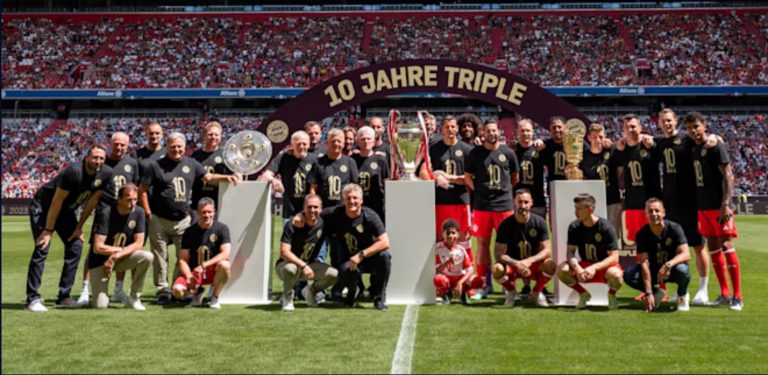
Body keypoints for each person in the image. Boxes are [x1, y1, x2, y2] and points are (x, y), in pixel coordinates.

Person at [139, 132, 240, 304]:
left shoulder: (191, 163)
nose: (176, 150)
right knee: (160, 256)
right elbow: (142, 189)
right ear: (167, 147)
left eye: (179, 147)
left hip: (182, 219)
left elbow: (208, 178)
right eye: (173, 147)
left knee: (184, 257)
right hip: (159, 218)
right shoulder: (155, 165)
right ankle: (162, 290)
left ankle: (180, 288)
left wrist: (225, 177)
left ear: (184, 148)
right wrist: (148, 213)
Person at [25, 145, 113, 312]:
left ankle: (64, 297)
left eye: (102, 158)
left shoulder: (106, 173)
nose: (98, 161)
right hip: (45, 207)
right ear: (87, 157)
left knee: (76, 246)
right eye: (95, 157)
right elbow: (56, 202)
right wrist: (48, 231)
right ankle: (32, 299)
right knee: (42, 247)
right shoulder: (73, 172)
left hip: (66, 211)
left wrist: (79, 227)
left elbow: (93, 201)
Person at [652, 108, 712, 305]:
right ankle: (677, 290)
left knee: (697, 245)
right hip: (669, 204)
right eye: (663, 121)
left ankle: (703, 290)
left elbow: (705, 138)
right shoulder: (659, 143)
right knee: (671, 249)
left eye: (670, 120)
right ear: (659, 123)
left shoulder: (686, 140)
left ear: (675, 121)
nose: (667, 124)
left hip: (689, 202)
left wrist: (716, 137)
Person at [685, 112, 743, 311]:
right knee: (713, 247)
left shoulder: (716, 145)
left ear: (704, 125)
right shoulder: (694, 148)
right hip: (703, 206)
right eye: (690, 128)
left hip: (719, 205)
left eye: (696, 127)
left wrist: (726, 204)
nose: (694, 131)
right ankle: (724, 293)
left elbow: (728, 175)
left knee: (726, 244)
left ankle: (738, 297)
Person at [77, 132, 141, 306]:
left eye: (123, 145)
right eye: (116, 144)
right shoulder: (102, 163)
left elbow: (134, 188)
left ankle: (118, 289)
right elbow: (95, 194)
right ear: (111, 144)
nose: (119, 147)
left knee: (123, 248)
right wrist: (81, 223)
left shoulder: (132, 163)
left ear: (127, 145)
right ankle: (85, 290)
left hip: (125, 214)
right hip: (104, 213)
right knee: (93, 251)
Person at [464, 120, 519, 299]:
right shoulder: (475, 153)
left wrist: (503, 193)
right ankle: (483, 283)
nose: (491, 133)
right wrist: (478, 191)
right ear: (483, 133)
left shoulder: (508, 153)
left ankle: (506, 282)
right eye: (488, 131)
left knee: (506, 245)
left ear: (499, 132)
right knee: (482, 244)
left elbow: (514, 178)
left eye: (494, 130)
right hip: (482, 206)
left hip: (504, 206)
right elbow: (467, 177)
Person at [322, 183, 390, 310]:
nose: (352, 201)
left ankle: (379, 298)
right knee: (348, 269)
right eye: (348, 198)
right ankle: (352, 293)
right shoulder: (335, 213)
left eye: (355, 198)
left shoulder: (370, 216)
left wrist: (361, 255)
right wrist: (298, 217)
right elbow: (314, 214)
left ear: (361, 200)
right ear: (343, 200)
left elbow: (385, 242)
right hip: (347, 260)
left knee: (385, 256)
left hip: (367, 258)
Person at [89, 184, 154, 310]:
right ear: (119, 199)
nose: (133, 203)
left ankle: (134, 298)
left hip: (120, 259)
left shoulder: (139, 212)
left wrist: (116, 256)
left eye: (135, 199)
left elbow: (138, 243)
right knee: (100, 305)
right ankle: (95, 296)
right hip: (100, 262)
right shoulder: (106, 213)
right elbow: (97, 247)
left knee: (147, 256)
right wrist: (118, 250)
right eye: (129, 200)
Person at [420, 116, 474, 259]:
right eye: (447, 127)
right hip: (440, 201)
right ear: (441, 129)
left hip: (461, 200)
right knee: (441, 237)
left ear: (457, 129)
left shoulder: (468, 150)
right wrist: (436, 176)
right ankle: (441, 273)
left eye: (452, 126)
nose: (450, 129)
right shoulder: (433, 149)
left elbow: (470, 179)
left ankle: (466, 272)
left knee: (463, 237)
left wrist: (448, 177)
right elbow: (423, 173)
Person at [557, 193, 623, 310]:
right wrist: (577, 268)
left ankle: (611, 295)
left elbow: (614, 257)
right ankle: (583, 294)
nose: (575, 212)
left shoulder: (606, 227)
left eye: (579, 209)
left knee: (616, 275)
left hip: (603, 268)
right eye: (575, 208)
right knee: (562, 270)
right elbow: (570, 252)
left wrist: (594, 268)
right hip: (584, 267)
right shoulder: (574, 226)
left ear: (590, 210)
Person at [623, 198, 691, 312]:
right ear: (645, 214)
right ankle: (657, 293)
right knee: (629, 274)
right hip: (653, 272)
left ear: (663, 213)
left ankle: (682, 295)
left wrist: (668, 265)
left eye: (657, 211)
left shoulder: (675, 228)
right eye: (650, 211)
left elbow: (686, 254)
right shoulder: (642, 234)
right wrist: (648, 293)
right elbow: (644, 263)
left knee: (683, 270)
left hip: (672, 270)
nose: (654, 214)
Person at [493, 189, 556, 307]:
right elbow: (497, 253)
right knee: (497, 269)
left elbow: (547, 250)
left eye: (526, 202)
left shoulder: (540, 222)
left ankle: (537, 292)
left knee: (550, 264)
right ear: (514, 203)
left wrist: (529, 261)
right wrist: (516, 263)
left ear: (531, 203)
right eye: (520, 202)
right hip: (513, 265)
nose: (523, 205)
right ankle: (511, 291)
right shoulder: (505, 224)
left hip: (533, 265)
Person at [276, 194, 339, 311]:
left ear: (321, 208)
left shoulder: (324, 223)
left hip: (309, 266)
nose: (312, 210)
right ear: (304, 208)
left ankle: (310, 291)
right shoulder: (292, 224)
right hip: (285, 266)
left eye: (316, 207)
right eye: (309, 207)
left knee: (334, 274)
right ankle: (287, 297)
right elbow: (284, 252)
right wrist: (303, 265)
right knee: (291, 268)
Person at [171, 198, 232, 309]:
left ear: (214, 211)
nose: (207, 215)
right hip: (195, 273)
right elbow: (182, 260)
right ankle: (197, 292)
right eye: (203, 212)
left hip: (213, 271)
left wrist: (203, 265)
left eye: (209, 212)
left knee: (225, 265)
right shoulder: (189, 232)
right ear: (198, 213)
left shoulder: (222, 228)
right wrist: (189, 276)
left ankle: (214, 298)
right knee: (177, 291)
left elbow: (225, 254)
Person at [614, 114, 662, 245]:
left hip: (652, 203)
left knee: (657, 240)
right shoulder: (620, 149)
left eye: (633, 126)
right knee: (637, 242)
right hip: (632, 204)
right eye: (626, 127)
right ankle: (641, 266)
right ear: (623, 129)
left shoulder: (651, 144)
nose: (630, 130)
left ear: (640, 127)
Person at [581, 123, 622, 244]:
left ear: (604, 136)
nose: (597, 140)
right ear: (588, 138)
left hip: (612, 199)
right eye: (594, 137)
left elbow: (620, 169)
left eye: (600, 137)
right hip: (593, 201)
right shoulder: (584, 156)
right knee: (595, 235)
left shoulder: (611, 151)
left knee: (612, 235)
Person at [433, 218, 483, 305]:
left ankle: (463, 293)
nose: (451, 236)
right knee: (438, 279)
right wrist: (448, 262)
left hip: (459, 277)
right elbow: (438, 270)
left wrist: (460, 282)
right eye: (448, 233)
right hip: (447, 277)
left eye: (453, 233)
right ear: (443, 234)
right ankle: (446, 294)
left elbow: (470, 269)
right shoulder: (438, 248)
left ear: (458, 235)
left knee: (478, 281)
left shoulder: (461, 250)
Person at [190, 121, 236, 212]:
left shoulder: (226, 156)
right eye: (210, 134)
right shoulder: (195, 156)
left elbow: (236, 176)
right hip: (198, 204)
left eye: (216, 135)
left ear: (220, 136)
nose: (213, 137)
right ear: (204, 135)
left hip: (221, 205)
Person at [351, 126, 389, 221]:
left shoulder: (381, 160)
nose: (366, 141)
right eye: (363, 139)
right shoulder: (352, 160)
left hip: (376, 205)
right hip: (356, 204)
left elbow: (386, 183)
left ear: (374, 141)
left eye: (369, 138)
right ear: (358, 141)